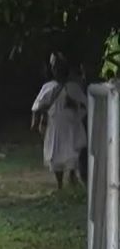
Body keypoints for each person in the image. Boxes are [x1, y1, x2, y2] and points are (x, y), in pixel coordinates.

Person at [31, 55, 87, 189]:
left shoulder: (74, 87)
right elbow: (37, 106)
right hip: (55, 125)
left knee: (72, 152)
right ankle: (60, 183)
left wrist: (75, 105)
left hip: (71, 125)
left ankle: (72, 176)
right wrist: (36, 121)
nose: (57, 70)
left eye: (59, 67)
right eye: (54, 67)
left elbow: (86, 106)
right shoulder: (48, 87)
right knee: (55, 154)